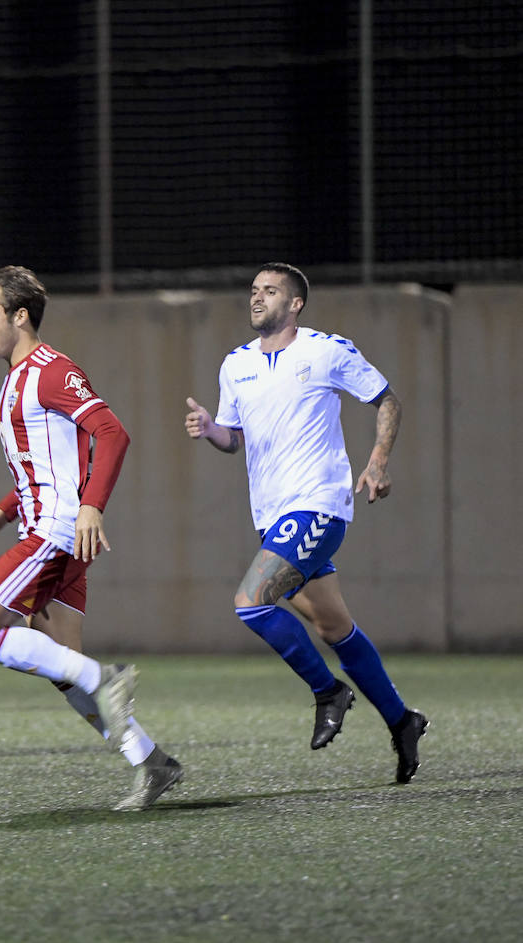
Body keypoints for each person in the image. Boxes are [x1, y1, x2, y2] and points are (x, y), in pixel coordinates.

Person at [184, 262, 429, 784]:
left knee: (251, 604)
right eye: (253, 290)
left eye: (269, 291)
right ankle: (402, 721)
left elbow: (386, 399)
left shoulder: (326, 350)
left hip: (319, 506)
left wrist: (378, 460)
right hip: (272, 517)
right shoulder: (235, 365)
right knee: (334, 627)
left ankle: (328, 691)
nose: (257, 298)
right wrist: (210, 429)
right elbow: (234, 437)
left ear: (295, 304)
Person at [0, 265, 185, 812]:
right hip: (52, 529)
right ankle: (152, 763)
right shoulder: (16, 378)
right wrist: (1, 509)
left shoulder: (49, 370)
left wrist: (90, 507)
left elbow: (111, 433)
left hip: (53, 533)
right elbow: (44, 466)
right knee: (62, 667)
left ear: (19, 317)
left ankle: (105, 677)